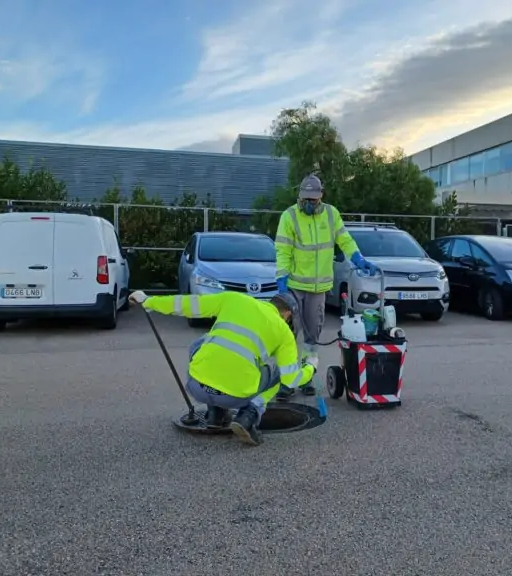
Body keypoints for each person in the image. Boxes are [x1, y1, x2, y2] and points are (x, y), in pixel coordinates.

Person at [128, 289, 318, 446]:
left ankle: (215, 414)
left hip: (196, 386)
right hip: (235, 396)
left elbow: (188, 304)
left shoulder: (234, 299)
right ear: (287, 314)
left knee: (201, 343)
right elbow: (290, 380)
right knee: (277, 374)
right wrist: (310, 368)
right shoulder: (284, 332)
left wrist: (149, 301)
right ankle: (248, 416)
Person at [274, 174, 378, 398]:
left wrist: (358, 258)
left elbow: (345, 240)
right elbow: (283, 250)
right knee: (288, 336)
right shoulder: (289, 216)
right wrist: (281, 279)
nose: (309, 204)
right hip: (293, 287)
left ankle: (306, 378)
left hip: (318, 290)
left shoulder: (331, 214)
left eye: (314, 200)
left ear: (321, 196)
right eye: (306, 199)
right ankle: (287, 382)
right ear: (299, 196)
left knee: (312, 338)